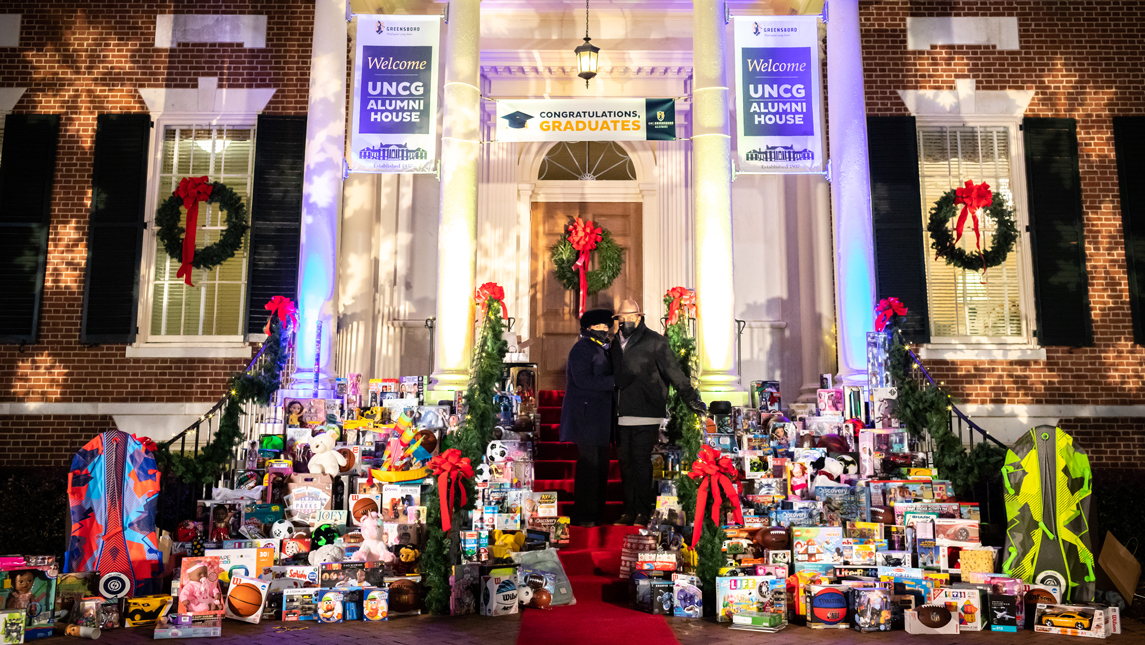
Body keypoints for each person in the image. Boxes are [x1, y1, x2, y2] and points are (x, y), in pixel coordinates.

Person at [609, 299, 707, 526]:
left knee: (641, 462)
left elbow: (674, 372)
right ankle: (629, 511)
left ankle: (643, 512)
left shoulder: (655, 341)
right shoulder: (614, 344)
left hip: (645, 411)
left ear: (639, 318)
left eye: (631, 317)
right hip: (620, 414)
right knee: (625, 463)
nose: (626, 321)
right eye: (622, 318)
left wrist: (691, 397)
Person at [558, 309, 616, 527]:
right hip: (586, 417)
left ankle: (596, 513)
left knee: (601, 466)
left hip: (600, 417)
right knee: (589, 467)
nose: (604, 329)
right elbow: (582, 380)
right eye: (599, 326)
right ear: (588, 328)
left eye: (606, 326)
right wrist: (614, 382)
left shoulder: (603, 348)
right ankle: (585, 514)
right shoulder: (582, 348)